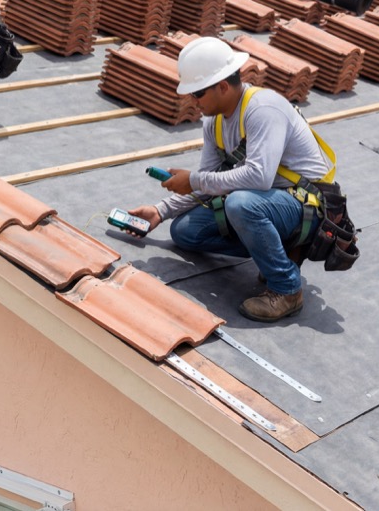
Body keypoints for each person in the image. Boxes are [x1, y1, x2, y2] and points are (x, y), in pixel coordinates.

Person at [127, 37, 334, 322]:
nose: (193, 101)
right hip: (267, 202)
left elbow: (258, 177)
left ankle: (287, 289)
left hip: (306, 206)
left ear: (222, 86)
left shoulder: (263, 109)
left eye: (197, 93)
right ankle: (278, 251)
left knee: (240, 204)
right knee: (185, 232)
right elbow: (209, 179)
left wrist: (195, 180)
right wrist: (161, 211)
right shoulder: (215, 122)